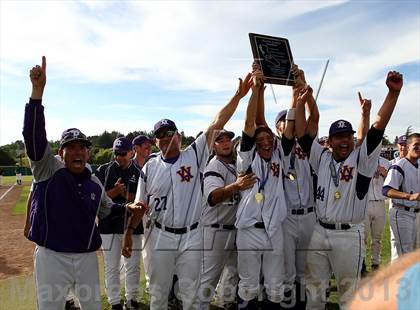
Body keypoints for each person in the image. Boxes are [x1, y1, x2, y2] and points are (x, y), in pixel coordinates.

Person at [23, 56, 147, 309]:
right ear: (61, 152)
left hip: (87, 256)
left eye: (83, 147)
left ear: (89, 153)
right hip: (51, 256)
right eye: (71, 148)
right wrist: (37, 94)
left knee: (91, 306)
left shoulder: (93, 181)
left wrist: (127, 209)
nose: (78, 152)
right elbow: (33, 137)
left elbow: (106, 208)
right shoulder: (48, 169)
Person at [125, 72, 253, 310]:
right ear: (155, 142)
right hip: (160, 235)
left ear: (179, 135)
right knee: (158, 294)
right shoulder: (150, 166)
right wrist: (129, 231)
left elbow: (218, 122)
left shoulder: (194, 154)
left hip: (192, 235)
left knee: (192, 295)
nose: (166, 138)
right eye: (160, 135)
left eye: (170, 133)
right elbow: (140, 204)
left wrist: (238, 96)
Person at [295, 70, 403, 309]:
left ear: (354, 139)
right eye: (339, 137)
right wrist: (300, 100)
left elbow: (376, 128)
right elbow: (302, 134)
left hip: (348, 235)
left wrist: (392, 94)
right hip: (319, 231)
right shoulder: (321, 157)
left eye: (349, 136)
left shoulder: (362, 160)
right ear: (330, 141)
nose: (345, 141)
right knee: (313, 294)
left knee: (347, 296)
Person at [234, 66, 310, 309]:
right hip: (249, 230)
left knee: (276, 287)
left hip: (274, 229)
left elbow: (288, 130)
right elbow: (250, 122)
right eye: (261, 141)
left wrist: (295, 97)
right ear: (254, 145)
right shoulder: (247, 157)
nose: (266, 142)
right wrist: (256, 90)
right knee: (248, 285)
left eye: (269, 139)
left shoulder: (280, 155)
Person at [274, 64, 318, 309]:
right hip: (289, 218)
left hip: (310, 215)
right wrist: (294, 96)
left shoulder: (310, 147)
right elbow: (291, 131)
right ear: (277, 127)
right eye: (281, 122)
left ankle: (305, 304)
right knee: (289, 270)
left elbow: (312, 120)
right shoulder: (281, 148)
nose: (284, 124)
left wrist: (304, 89)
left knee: (306, 268)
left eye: (286, 120)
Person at [198, 130, 256, 309]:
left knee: (232, 272)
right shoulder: (214, 166)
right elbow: (213, 197)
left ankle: (225, 303)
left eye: (228, 140)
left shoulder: (236, 164)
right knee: (209, 277)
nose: (225, 143)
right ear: (213, 146)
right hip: (215, 229)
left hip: (235, 228)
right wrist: (236, 185)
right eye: (219, 141)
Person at [95, 137, 143, 310]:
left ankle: (131, 299)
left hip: (132, 224)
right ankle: (114, 301)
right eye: (117, 153)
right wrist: (114, 191)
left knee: (133, 265)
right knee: (111, 266)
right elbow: (97, 200)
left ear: (131, 152)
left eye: (123, 153)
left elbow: (142, 202)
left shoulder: (140, 172)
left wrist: (125, 195)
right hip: (108, 225)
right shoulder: (103, 170)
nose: (120, 157)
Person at [383, 133, 420, 256]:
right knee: (404, 254)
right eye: (416, 145)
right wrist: (409, 196)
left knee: (415, 253)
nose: (419, 148)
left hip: (417, 213)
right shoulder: (399, 166)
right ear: (408, 147)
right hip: (402, 212)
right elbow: (386, 190)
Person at [361, 156, 390, 275]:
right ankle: (361, 264)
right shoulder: (361, 159)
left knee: (377, 237)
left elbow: (392, 182)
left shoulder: (385, 162)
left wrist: (385, 174)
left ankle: (375, 263)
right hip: (364, 204)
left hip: (380, 202)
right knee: (363, 237)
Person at [389, 134, 408, 261]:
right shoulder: (391, 163)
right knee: (395, 240)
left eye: (406, 145)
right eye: (401, 144)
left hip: (414, 208)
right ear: (397, 145)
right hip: (396, 205)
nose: (403, 147)